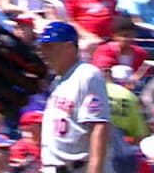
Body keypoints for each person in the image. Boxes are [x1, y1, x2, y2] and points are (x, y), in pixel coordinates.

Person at [37, 22, 110, 173]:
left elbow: (98, 126)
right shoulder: (57, 80)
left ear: (69, 47)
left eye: (49, 46)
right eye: (42, 46)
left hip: (77, 168)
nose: (43, 52)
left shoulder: (87, 75)